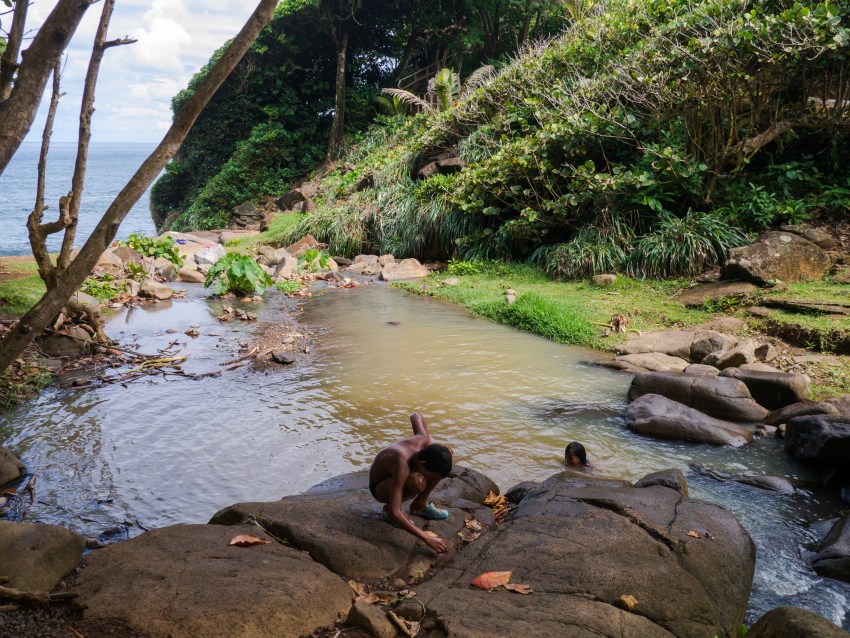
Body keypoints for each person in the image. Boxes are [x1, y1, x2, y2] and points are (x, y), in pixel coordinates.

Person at [368, 412, 453, 553]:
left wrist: (445, 451)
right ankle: (386, 511)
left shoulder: (424, 440)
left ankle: (419, 504)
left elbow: (415, 415)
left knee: (446, 457)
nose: (431, 481)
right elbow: (396, 512)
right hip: (379, 485)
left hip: (405, 471)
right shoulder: (401, 464)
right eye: (430, 477)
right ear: (422, 464)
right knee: (417, 482)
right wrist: (426, 537)